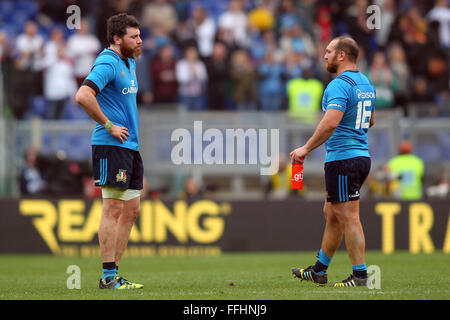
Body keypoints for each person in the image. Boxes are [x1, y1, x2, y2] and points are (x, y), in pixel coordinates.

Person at [290, 36, 376, 287]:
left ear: (342, 55)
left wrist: (305, 148)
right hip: (361, 156)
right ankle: (319, 270)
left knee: (348, 216)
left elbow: (330, 122)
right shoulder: (365, 83)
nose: (324, 55)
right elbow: (369, 120)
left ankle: (360, 275)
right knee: (332, 212)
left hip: (343, 159)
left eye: (328, 51)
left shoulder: (338, 85)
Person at [75, 13, 144, 290]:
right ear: (117, 39)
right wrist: (108, 124)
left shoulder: (129, 62)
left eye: (139, 35)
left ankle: (114, 273)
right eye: (134, 36)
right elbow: (83, 95)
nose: (140, 40)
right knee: (113, 208)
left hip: (129, 145)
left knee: (132, 210)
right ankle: (107, 277)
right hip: (111, 144)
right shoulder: (108, 61)